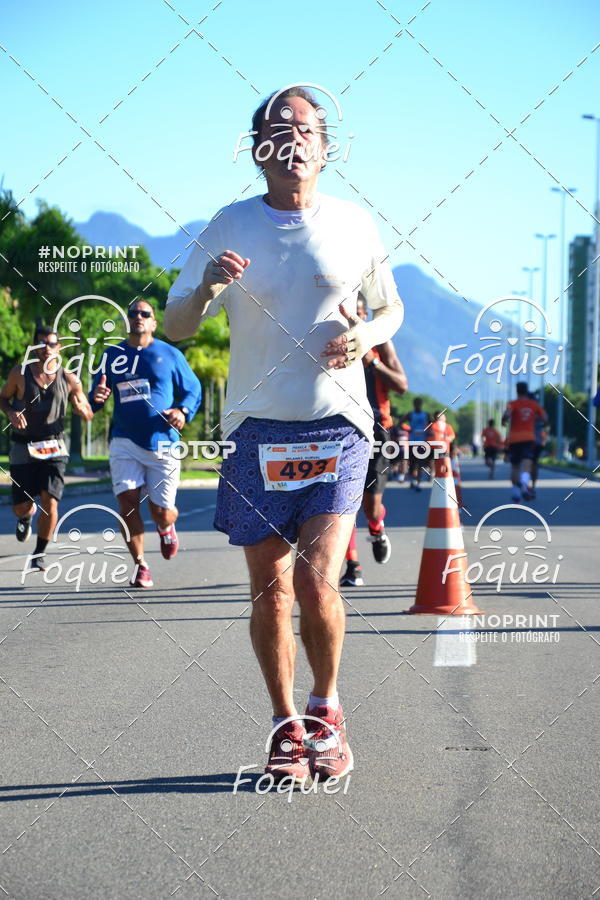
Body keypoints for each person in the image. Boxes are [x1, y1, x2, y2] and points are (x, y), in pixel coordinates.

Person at [164, 86, 403, 782]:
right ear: (257, 149)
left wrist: (364, 338)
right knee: (270, 589)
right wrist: (207, 288)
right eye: (277, 129)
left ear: (326, 148)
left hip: (338, 425)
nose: (292, 139)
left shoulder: (354, 223)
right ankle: (285, 724)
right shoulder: (229, 224)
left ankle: (326, 710)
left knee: (316, 579)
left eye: (305, 129)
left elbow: (391, 310)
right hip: (255, 430)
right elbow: (177, 326)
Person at [90, 300, 201, 588]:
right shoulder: (112, 355)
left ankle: (166, 527)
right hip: (124, 440)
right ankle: (141, 565)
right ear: (126, 321)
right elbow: (95, 395)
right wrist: (96, 397)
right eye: (133, 313)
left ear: (153, 322)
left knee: (161, 512)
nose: (138, 317)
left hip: (162, 441)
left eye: (144, 314)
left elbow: (193, 389)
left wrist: (182, 411)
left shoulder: (170, 354)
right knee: (127, 504)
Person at [0, 324, 93, 571]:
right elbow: (3, 398)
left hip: (54, 446)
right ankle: (25, 516)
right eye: (42, 344)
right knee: (21, 506)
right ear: (34, 347)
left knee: (50, 501)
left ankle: (39, 553)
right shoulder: (19, 374)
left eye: (51, 344)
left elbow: (85, 408)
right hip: (23, 446)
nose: (46, 349)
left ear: (58, 347)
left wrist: (83, 409)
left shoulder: (69, 378)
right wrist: (10, 412)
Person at [340, 298, 407, 587]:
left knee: (370, 506)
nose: (350, 317)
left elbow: (401, 385)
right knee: (342, 501)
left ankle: (377, 527)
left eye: (357, 311)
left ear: (365, 314)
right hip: (341, 426)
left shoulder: (380, 341)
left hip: (378, 429)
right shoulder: (331, 340)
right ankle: (352, 565)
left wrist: (372, 361)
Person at [502, 381, 548, 502]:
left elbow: (506, 415)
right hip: (528, 438)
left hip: (514, 439)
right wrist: (535, 418)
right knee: (527, 463)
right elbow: (544, 418)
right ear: (527, 391)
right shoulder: (534, 404)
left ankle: (516, 492)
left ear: (517, 391)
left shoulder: (512, 404)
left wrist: (504, 420)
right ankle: (524, 483)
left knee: (515, 465)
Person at [401, 397, 430, 491]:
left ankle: (418, 482)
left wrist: (427, 431)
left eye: (419, 403)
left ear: (421, 404)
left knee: (420, 463)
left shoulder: (426, 414)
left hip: (422, 442)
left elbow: (432, 424)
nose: (417, 405)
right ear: (413, 404)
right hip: (412, 442)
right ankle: (413, 481)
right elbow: (400, 423)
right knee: (413, 463)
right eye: (416, 403)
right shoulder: (410, 414)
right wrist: (408, 430)